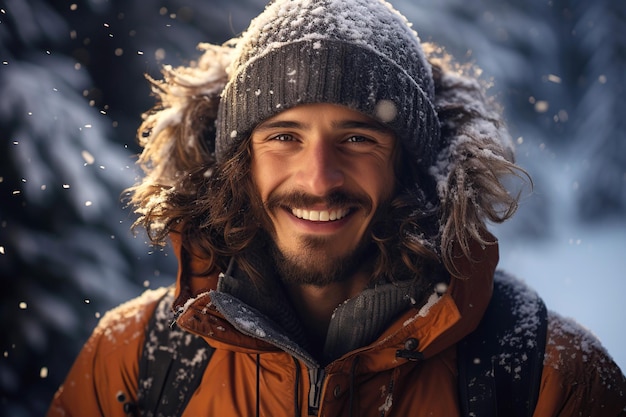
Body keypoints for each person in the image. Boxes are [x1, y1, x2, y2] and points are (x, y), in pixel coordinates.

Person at [47, 0, 626, 416]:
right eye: (284, 136)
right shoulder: (135, 360)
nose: (319, 179)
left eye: (358, 138)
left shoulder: (545, 375)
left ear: (410, 163)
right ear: (237, 161)